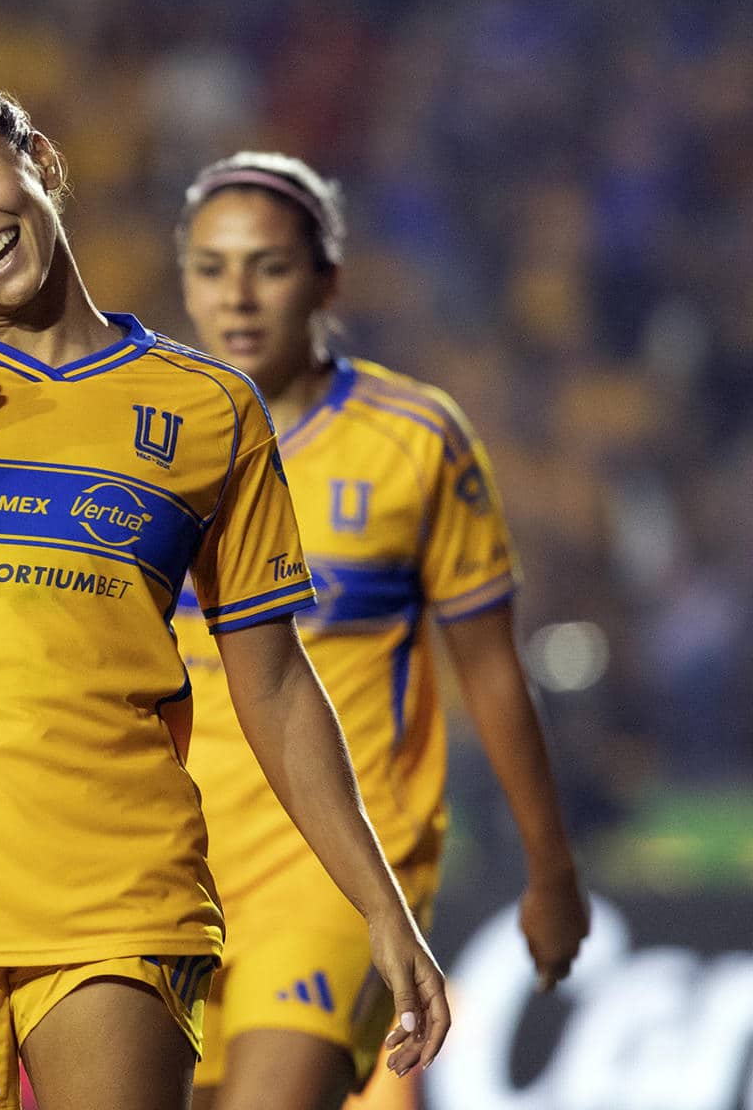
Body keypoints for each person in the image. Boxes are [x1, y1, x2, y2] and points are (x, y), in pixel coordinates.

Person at [0, 82, 448, 1110]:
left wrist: (381, 906)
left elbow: (273, 686)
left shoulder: (209, 408)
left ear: (40, 162)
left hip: (121, 892)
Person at [171, 152, 588, 1110]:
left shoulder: (415, 439)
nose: (236, 295)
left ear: (327, 279)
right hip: (159, 864)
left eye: (268, 266)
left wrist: (550, 870)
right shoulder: (144, 445)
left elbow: (490, 672)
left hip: (336, 871)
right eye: (210, 266)